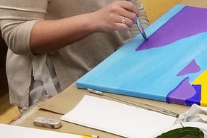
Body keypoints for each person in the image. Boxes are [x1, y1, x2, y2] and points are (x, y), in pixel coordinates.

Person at [0, 1, 149, 111]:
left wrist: (143, 51)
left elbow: (130, 6)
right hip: (61, 84)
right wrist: (94, 20)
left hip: (115, 68)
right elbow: (16, 34)